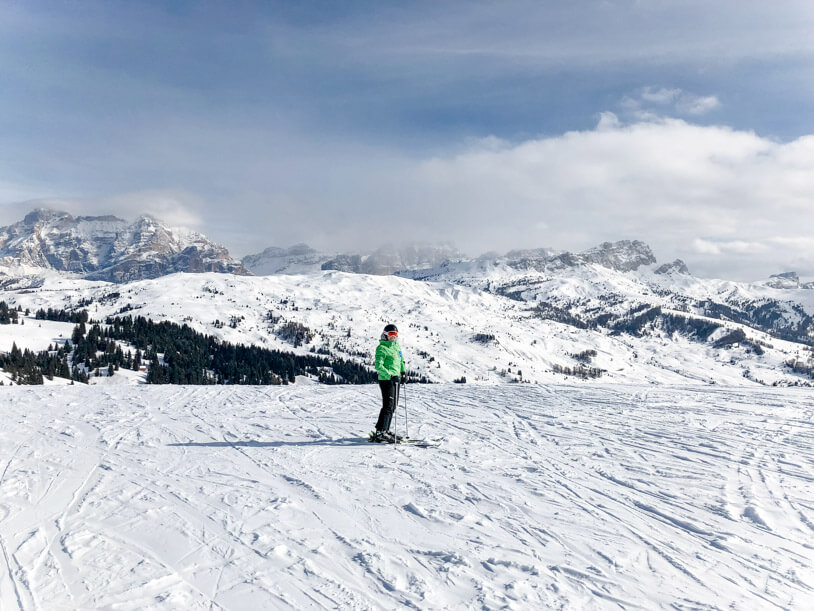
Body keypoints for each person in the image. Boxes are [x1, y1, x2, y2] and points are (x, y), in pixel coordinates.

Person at [370, 323, 406, 443]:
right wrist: (390, 376)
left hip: (396, 379)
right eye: (391, 334)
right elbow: (378, 365)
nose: (393, 337)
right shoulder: (382, 348)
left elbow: (401, 361)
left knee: (393, 405)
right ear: (385, 335)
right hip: (386, 380)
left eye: (395, 334)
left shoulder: (396, 347)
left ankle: (385, 429)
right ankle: (381, 432)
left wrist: (403, 373)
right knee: (388, 405)